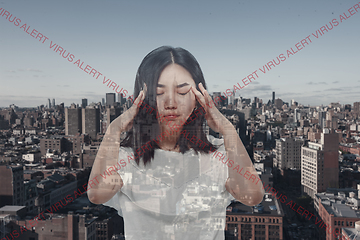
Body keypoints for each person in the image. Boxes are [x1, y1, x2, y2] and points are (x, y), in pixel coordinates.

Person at [88, 46, 264, 239]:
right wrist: (114, 129)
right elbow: (97, 193)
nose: (170, 102)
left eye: (182, 92)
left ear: (199, 97)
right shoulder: (126, 157)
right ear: (143, 99)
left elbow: (252, 196)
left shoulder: (220, 154)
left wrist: (228, 130)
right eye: (159, 93)